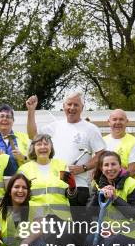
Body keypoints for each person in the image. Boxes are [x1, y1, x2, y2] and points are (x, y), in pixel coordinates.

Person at [26, 92, 105, 224]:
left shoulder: (91, 129)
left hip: (79, 188)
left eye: (76, 105)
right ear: (63, 106)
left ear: (82, 107)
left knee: (78, 230)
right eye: (69, 104)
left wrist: (83, 167)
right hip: (56, 189)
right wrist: (31, 111)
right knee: (57, 231)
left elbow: (101, 154)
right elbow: (33, 135)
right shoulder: (55, 126)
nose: (72, 108)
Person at [18, 134, 76, 220]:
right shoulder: (25, 169)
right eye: (39, 144)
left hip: (62, 218)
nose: (43, 147)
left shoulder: (61, 165)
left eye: (46, 144)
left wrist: (72, 188)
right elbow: (19, 196)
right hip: (36, 219)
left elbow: (70, 195)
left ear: (51, 147)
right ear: (33, 148)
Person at [104, 109, 135, 180]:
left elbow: (133, 170)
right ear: (109, 122)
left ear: (127, 122)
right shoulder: (102, 142)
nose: (118, 122)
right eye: (114, 119)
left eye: (121, 119)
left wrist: (112, 182)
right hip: (103, 189)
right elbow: (95, 169)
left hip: (128, 189)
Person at [0, 104, 30, 172]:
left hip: (19, 180)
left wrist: (23, 158)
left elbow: (35, 161)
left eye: (8, 116)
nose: (4, 119)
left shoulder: (24, 138)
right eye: (1, 116)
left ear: (13, 120)